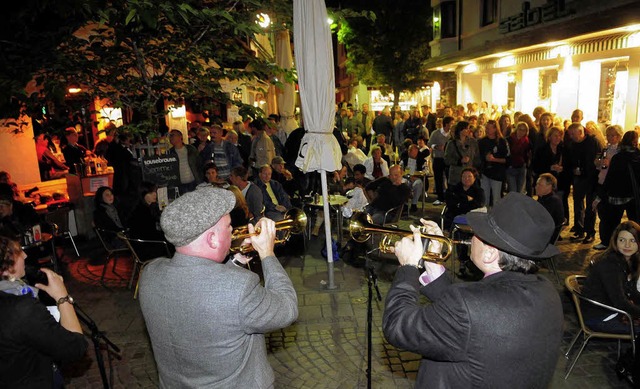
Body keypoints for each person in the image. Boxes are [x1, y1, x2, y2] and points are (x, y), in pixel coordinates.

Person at [383, 193, 563, 388]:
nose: (472, 236)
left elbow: (397, 325)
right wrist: (432, 261)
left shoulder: (468, 305)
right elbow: (472, 319)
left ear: (489, 253)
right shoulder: (547, 290)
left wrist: (408, 267)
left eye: (479, 233)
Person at [138, 187, 298, 388]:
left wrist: (235, 263)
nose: (233, 231)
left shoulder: (150, 273)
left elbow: (200, 290)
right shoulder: (239, 288)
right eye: (229, 226)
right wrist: (268, 254)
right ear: (212, 239)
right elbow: (287, 309)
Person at [0, 235, 88, 388]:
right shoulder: (21, 309)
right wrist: (62, 297)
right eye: (19, 252)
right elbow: (75, 348)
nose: (25, 255)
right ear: (7, 267)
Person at [581, 221, 640, 333]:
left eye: (633, 240)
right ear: (615, 241)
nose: (627, 245)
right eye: (622, 240)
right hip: (600, 317)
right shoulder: (610, 264)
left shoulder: (629, 260)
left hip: (612, 310)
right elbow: (620, 302)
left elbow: (631, 292)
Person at [168, 129, 201, 194]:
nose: (170, 137)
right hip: (179, 184)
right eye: (170, 136)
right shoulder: (170, 153)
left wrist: (200, 179)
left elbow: (199, 163)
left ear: (180, 136)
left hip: (193, 182)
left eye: (172, 135)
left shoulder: (191, 149)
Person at [429, 116, 453, 205]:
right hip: (438, 158)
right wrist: (436, 147)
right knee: (438, 178)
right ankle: (440, 197)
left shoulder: (452, 134)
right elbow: (429, 144)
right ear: (447, 124)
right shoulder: (435, 133)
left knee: (449, 178)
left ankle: (450, 197)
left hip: (448, 159)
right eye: (451, 123)